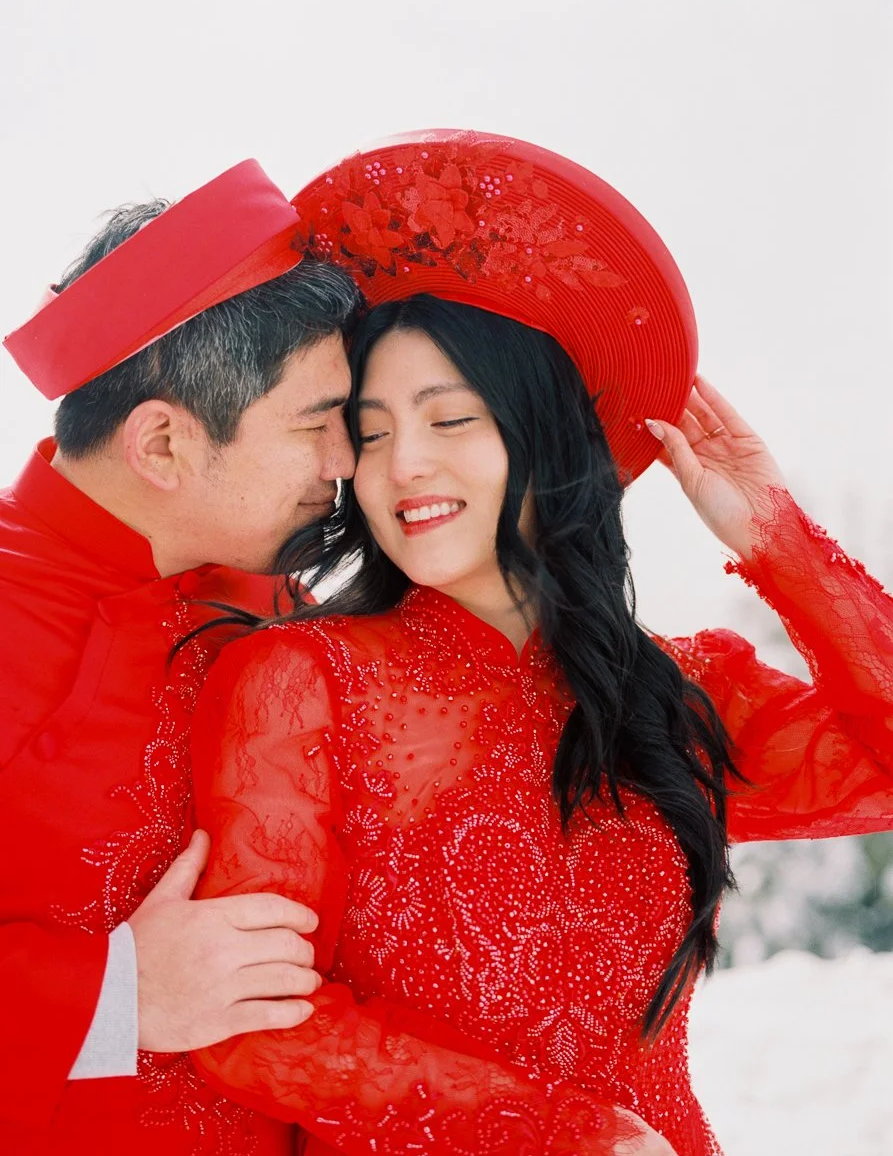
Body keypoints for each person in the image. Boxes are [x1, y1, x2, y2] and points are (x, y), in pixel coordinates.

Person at [188, 132, 893, 1156]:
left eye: (450, 419)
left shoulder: (675, 693)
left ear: (542, 434)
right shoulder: (300, 681)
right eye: (371, 432)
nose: (403, 465)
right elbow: (252, 1024)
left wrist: (774, 538)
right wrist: (568, 1135)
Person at [0, 160, 363, 1155]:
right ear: (160, 444)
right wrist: (115, 997)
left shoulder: (280, 616)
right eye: (313, 423)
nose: (344, 461)